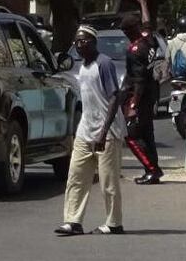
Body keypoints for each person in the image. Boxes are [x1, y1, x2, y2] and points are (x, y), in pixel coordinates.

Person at [55, 27, 125, 236]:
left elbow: (114, 97)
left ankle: (114, 223)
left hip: (107, 132)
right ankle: (73, 221)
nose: (79, 45)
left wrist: (103, 133)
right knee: (76, 177)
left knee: (108, 182)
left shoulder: (103, 64)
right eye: (77, 41)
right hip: (86, 130)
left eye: (84, 41)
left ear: (94, 42)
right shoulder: (82, 67)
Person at [120, 0, 162, 185]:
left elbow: (138, 81)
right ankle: (153, 170)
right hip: (152, 93)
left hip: (141, 97)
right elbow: (147, 23)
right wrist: (143, 3)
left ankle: (152, 169)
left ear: (128, 32)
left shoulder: (134, 50)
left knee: (132, 136)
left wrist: (133, 106)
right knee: (148, 134)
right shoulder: (148, 39)